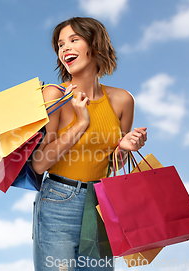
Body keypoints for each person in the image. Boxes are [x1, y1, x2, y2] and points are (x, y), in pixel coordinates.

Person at [31, 17, 147, 271]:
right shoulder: (54, 96)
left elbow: (114, 163)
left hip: (101, 202)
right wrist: (80, 124)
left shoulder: (122, 100)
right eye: (60, 45)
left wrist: (126, 148)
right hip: (58, 201)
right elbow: (39, 164)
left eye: (74, 40)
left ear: (94, 46)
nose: (65, 49)